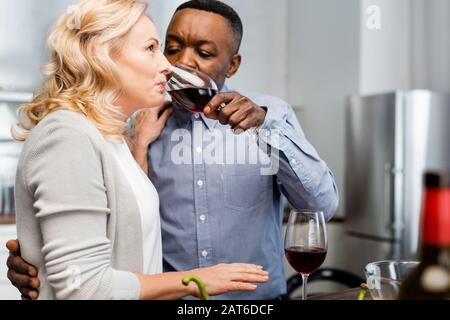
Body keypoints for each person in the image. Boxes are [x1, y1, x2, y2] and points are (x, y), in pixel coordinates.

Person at [7, 0, 338, 300]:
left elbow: (320, 206)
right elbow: (101, 249)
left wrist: (266, 129)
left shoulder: (270, 116)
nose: (180, 64)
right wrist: (47, 259)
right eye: (170, 48)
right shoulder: (133, 125)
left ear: (232, 64)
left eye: (204, 54)